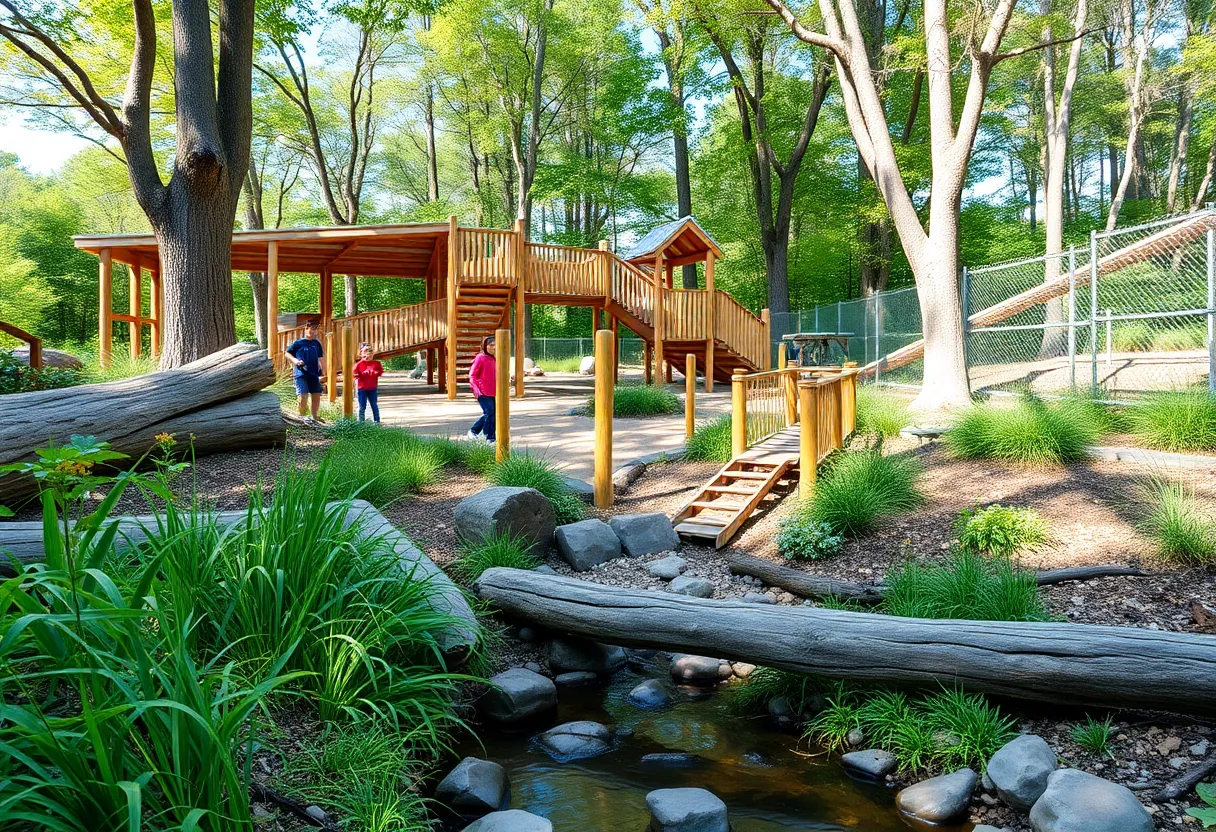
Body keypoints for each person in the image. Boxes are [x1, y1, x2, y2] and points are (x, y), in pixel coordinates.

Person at [286, 321, 325, 424]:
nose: (312, 332)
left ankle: (314, 416)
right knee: (303, 395)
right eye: (310, 329)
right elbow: (287, 353)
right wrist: (296, 361)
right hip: (301, 373)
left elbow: (320, 357)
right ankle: (301, 418)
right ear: (306, 329)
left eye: (314, 329)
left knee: (316, 394)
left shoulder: (316, 343)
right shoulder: (298, 343)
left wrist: (323, 368)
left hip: (314, 373)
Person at [466, 334, 497, 445]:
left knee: (493, 414)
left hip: (494, 392)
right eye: (491, 345)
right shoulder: (480, 357)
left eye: (495, 345)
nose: (494, 347)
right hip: (483, 391)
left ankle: (474, 431)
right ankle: (490, 438)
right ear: (485, 346)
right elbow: (472, 375)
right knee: (490, 413)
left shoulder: (496, 359)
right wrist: (476, 390)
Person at [354, 343, 384, 423]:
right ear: (361, 353)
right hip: (362, 388)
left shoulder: (376, 364)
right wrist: (360, 374)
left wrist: (375, 372)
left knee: (374, 405)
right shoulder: (359, 364)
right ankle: (361, 422)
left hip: (372, 388)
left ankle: (377, 421)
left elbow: (380, 372)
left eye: (370, 352)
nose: (368, 355)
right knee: (362, 406)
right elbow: (354, 373)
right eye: (365, 352)